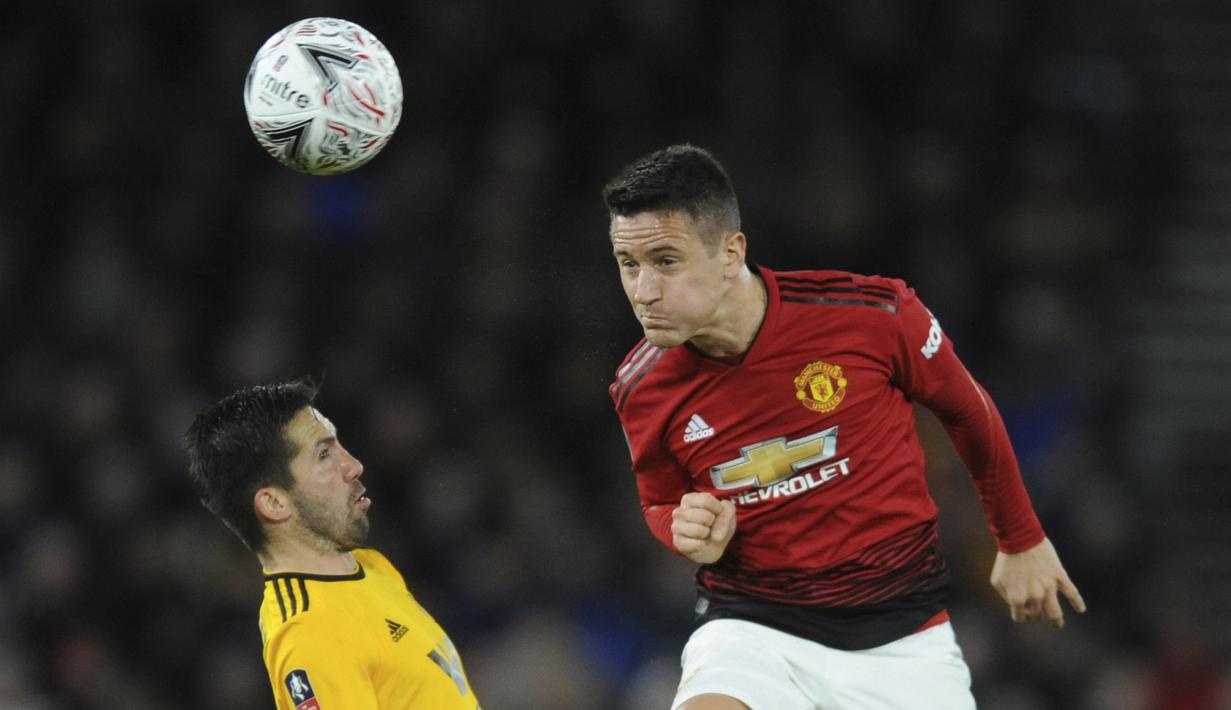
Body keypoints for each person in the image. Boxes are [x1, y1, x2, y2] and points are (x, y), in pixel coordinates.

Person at [603, 144, 1086, 710]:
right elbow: (659, 500)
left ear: (731, 253)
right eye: (628, 264)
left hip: (901, 639)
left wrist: (1020, 537)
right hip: (753, 632)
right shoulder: (641, 387)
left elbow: (966, 409)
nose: (644, 292)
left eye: (666, 261)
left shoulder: (871, 316)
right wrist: (680, 527)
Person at [185, 379, 480, 709]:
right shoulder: (310, 632)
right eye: (324, 455)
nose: (354, 466)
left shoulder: (369, 565)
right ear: (274, 503)